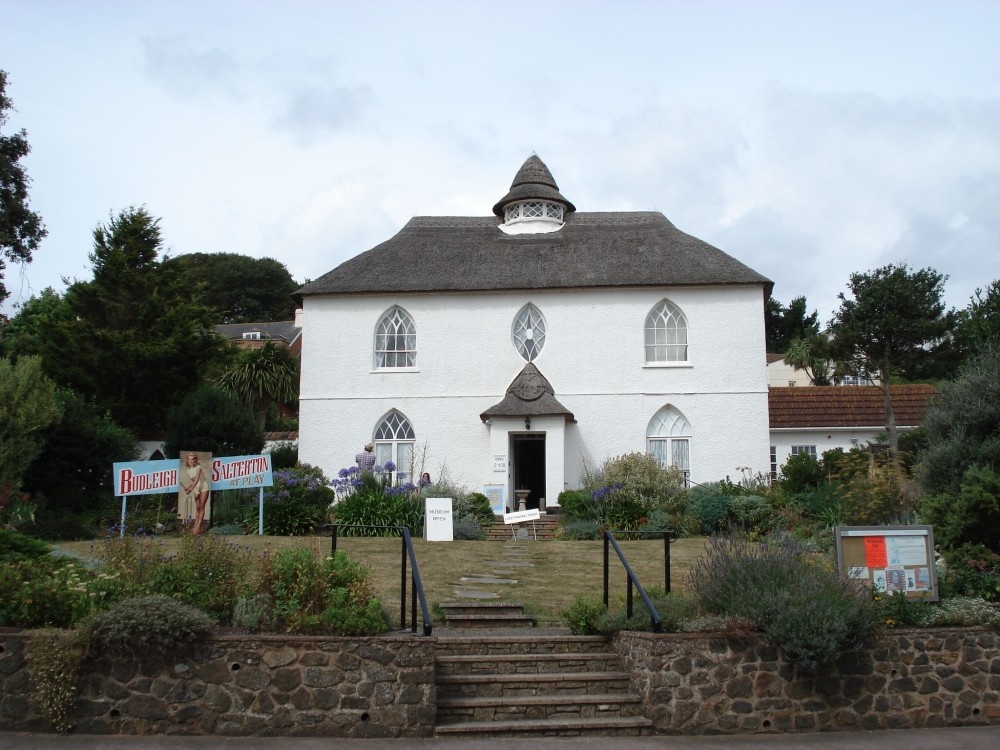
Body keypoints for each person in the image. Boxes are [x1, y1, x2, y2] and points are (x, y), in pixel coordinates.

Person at [181, 452, 211, 534]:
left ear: (195, 460)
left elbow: (197, 479)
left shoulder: (199, 467)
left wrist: (190, 489)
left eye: (192, 459)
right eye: (189, 459)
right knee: (197, 508)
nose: (191, 461)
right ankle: (195, 527)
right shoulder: (188, 471)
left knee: (201, 507)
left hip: (204, 487)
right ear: (187, 460)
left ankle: (197, 528)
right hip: (196, 488)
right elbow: (194, 481)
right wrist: (188, 487)